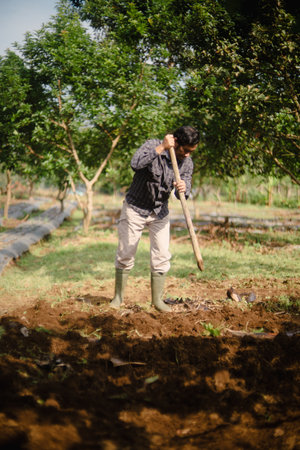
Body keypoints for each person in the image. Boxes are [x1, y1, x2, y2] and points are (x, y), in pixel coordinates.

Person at [110, 125, 199, 312]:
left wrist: (184, 187)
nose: (188, 155)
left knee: (161, 255)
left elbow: (185, 186)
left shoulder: (187, 163)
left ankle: (157, 301)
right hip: (135, 208)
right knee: (126, 253)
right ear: (175, 142)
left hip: (159, 212)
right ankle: (118, 298)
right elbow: (135, 164)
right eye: (186, 150)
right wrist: (161, 149)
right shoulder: (153, 145)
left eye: (192, 152)